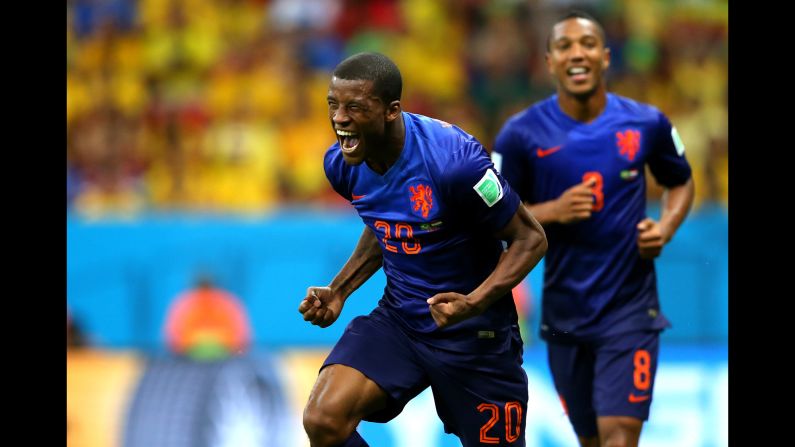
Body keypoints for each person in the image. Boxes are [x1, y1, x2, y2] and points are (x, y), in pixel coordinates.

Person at [298, 52, 548, 447]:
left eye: (355, 107)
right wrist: (341, 289)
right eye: (333, 104)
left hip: (475, 336)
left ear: (391, 110)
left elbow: (530, 238)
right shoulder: (343, 164)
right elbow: (384, 221)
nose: (339, 118)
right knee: (324, 419)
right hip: (402, 322)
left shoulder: (455, 162)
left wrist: (473, 302)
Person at [491, 10, 695, 447]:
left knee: (619, 436)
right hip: (565, 314)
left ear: (605, 57)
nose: (576, 53)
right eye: (564, 46)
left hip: (630, 311)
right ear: (549, 62)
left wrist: (667, 227)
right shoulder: (520, 134)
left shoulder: (646, 123)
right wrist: (552, 211)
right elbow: (491, 216)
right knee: (591, 441)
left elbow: (680, 180)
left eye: (587, 44)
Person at [164, 275, 252, 361]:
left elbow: (172, 337)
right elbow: (242, 338)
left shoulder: (183, 303)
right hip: (194, 359)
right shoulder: (228, 302)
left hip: (220, 358)